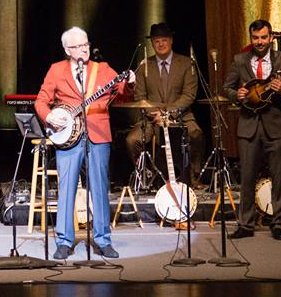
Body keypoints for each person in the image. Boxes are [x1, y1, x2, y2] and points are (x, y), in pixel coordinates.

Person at [35, 26, 130, 259]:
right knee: (67, 187)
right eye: (77, 46)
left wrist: (130, 82)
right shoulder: (56, 70)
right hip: (68, 137)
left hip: (98, 132)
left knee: (99, 187)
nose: (84, 49)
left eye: (86, 44)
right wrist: (50, 117)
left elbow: (124, 94)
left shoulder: (103, 69)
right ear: (67, 50)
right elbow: (41, 101)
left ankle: (103, 239)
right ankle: (64, 241)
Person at [223, 19, 281, 240]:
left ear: (271, 38)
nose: (260, 42)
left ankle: (278, 223)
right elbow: (227, 88)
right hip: (248, 126)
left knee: (278, 176)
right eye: (255, 38)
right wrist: (236, 95)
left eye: (264, 37)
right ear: (251, 38)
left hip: (275, 127)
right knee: (247, 177)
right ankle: (245, 225)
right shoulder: (240, 60)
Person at [125, 22, 204, 186]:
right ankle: (148, 175)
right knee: (132, 140)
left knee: (196, 134)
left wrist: (167, 113)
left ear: (171, 40)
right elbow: (140, 96)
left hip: (181, 115)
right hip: (151, 118)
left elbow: (189, 95)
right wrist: (155, 114)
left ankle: (193, 175)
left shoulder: (186, 63)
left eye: (164, 40)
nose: (160, 44)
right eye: (156, 41)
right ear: (152, 43)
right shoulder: (144, 66)